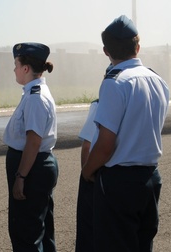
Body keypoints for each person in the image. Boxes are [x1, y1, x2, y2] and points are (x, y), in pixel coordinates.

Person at [80, 14, 170, 252]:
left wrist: (88, 170)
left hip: (119, 182)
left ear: (105, 51)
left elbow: (106, 143)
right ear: (137, 47)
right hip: (150, 177)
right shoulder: (158, 81)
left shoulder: (114, 82)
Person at [4, 42, 58, 252]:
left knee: (26, 233)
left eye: (16, 64)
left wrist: (21, 177)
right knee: (40, 230)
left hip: (31, 167)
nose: (14, 69)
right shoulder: (33, 92)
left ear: (25, 68)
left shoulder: (36, 97)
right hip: (35, 165)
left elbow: (33, 142)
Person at [74, 98, 98, 252]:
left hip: (98, 176)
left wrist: (86, 173)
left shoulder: (102, 103)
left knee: (89, 232)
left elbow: (87, 145)